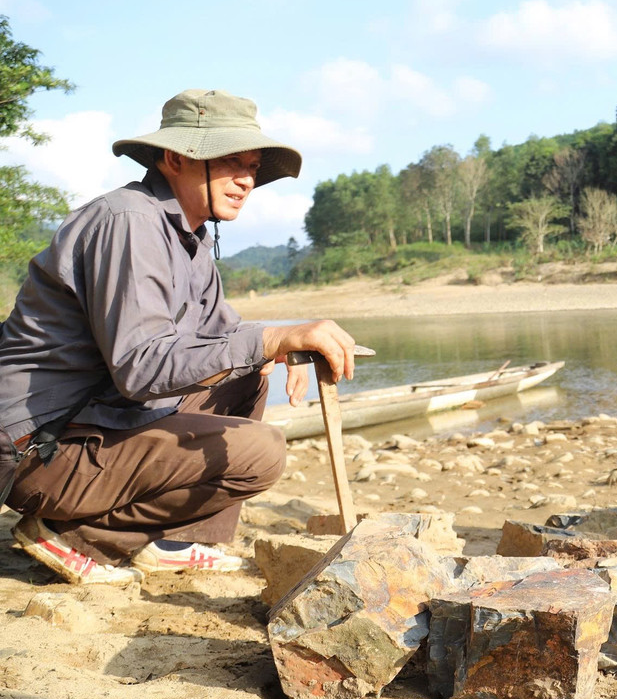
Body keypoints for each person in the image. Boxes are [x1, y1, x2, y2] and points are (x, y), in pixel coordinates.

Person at [0, 89, 358, 585]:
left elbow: (224, 334)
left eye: (253, 167)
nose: (247, 180)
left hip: (91, 423)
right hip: (38, 449)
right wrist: (271, 339)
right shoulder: (129, 222)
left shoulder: (189, 239)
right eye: (231, 161)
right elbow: (141, 368)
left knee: (248, 376)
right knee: (262, 452)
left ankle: (174, 542)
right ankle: (76, 537)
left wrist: (290, 343)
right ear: (175, 158)